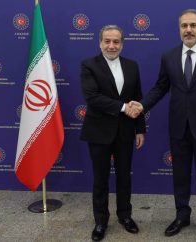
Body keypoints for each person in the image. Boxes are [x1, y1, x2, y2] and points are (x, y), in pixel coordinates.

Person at [129, 9, 196, 242]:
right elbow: (160, 87)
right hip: (178, 126)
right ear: (179, 29)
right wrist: (142, 105)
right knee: (180, 175)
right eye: (184, 26)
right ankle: (181, 216)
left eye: (193, 25)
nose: (188, 30)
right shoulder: (169, 56)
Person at [80, 25, 145, 241]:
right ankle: (100, 221)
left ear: (122, 44)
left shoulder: (132, 66)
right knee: (100, 178)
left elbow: (138, 98)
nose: (111, 45)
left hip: (125, 131)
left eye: (116, 41)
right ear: (100, 43)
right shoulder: (89, 65)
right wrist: (124, 108)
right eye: (107, 41)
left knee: (125, 176)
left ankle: (125, 216)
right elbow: (93, 98)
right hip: (98, 131)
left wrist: (140, 129)